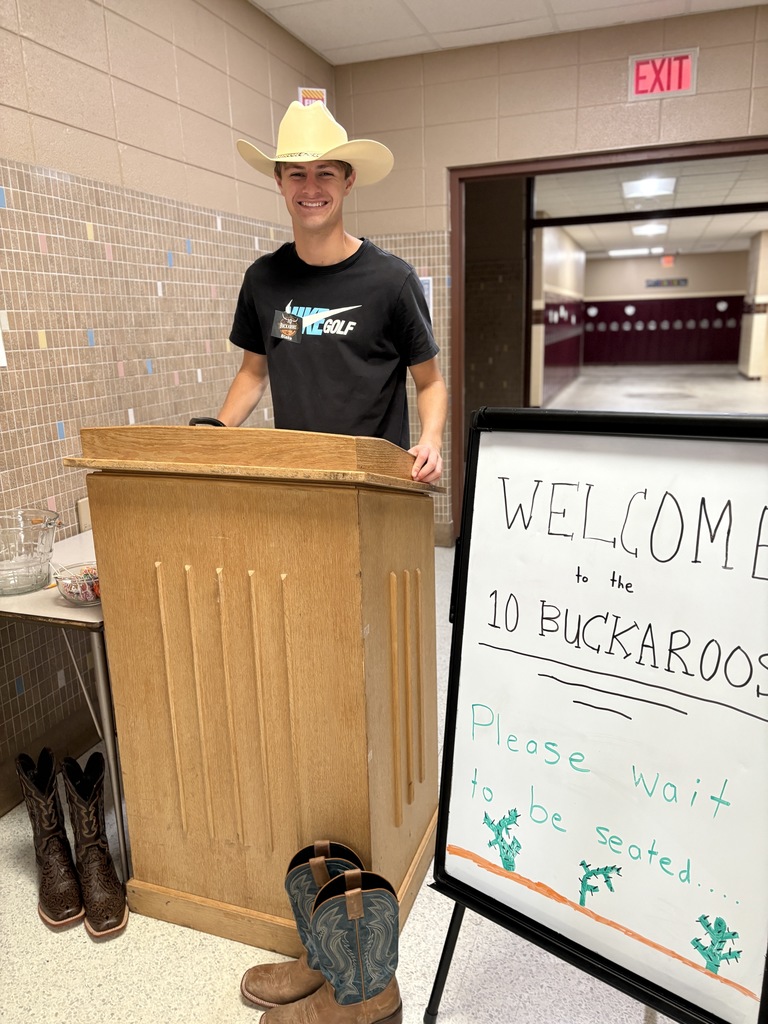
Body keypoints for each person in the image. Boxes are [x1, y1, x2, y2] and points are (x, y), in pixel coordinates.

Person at [215, 100, 447, 483]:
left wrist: (431, 441)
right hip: (299, 478)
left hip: (376, 483)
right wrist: (218, 433)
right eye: (296, 174)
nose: (310, 188)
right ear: (279, 181)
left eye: (325, 173)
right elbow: (254, 373)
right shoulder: (263, 279)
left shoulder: (392, 280)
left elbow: (430, 381)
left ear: (348, 180)